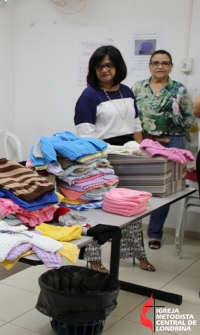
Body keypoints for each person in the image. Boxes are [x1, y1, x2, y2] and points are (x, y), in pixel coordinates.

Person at [74, 45, 154, 272]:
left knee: (133, 208)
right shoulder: (89, 95)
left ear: (118, 66)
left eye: (108, 65)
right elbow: (84, 134)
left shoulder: (127, 91)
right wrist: (99, 162)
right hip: (101, 159)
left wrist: (141, 152)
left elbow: (136, 126)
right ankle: (95, 260)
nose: (104, 70)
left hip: (130, 155)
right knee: (98, 210)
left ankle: (136, 255)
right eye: (99, 66)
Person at [132, 50, 196, 250]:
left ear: (171, 67)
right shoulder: (137, 88)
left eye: (165, 63)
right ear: (150, 65)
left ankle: (155, 233)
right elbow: (132, 116)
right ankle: (131, 230)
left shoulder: (179, 90)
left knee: (164, 191)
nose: (160, 66)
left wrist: (171, 133)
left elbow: (189, 117)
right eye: (156, 63)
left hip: (172, 143)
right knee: (138, 186)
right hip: (144, 143)